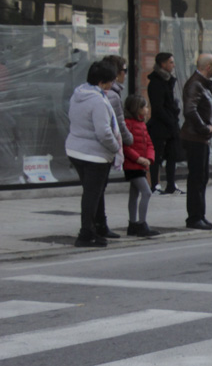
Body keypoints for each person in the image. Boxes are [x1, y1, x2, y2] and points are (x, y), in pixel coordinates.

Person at [65, 59, 122, 247]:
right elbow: (103, 132)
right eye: (111, 81)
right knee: (92, 195)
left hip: (76, 149)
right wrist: (116, 147)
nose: (113, 85)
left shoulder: (79, 93)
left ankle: (96, 229)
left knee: (93, 193)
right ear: (101, 82)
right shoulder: (98, 101)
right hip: (94, 154)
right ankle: (86, 234)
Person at [181, 54, 212, 230]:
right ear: (209, 67)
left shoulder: (201, 84)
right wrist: (204, 128)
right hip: (195, 137)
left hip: (201, 139)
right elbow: (190, 110)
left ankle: (200, 215)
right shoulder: (195, 84)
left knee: (202, 178)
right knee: (196, 178)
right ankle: (194, 217)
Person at [122, 95, 160, 237]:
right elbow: (126, 147)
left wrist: (149, 158)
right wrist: (139, 159)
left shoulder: (142, 124)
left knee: (134, 194)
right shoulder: (128, 124)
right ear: (136, 109)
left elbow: (149, 144)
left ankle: (132, 224)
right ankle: (141, 223)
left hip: (141, 164)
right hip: (132, 165)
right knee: (146, 192)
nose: (147, 109)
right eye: (144, 107)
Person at [146, 52, 184, 195]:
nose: (173, 65)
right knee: (157, 156)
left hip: (171, 124)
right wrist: (170, 119)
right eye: (171, 62)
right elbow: (158, 107)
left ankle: (171, 185)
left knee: (172, 155)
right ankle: (155, 185)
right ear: (163, 64)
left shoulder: (168, 81)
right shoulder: (156, 82)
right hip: (160, 126)